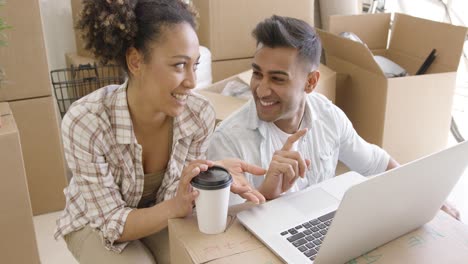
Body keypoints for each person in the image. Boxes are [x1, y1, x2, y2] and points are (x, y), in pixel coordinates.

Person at [54, 1, 265, 263]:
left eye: (195, 65)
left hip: (162, 211)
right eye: (179, 65)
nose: (192, 82)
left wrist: (210, 172)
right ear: (135, 61)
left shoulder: (198, 115)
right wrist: (176, 206)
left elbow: (177, 194)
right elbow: (111, 222)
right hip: (95, 223)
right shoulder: (87, 121)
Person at [206, 15, 460, 220]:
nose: (261, 89)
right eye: (257, 74)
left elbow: (377, 163)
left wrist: (427, 196)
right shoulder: (229, 139)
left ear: (311, 82)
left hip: (317, 231)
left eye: (277, 78)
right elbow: (222, 224)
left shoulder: (328, 117)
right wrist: (266, 194)